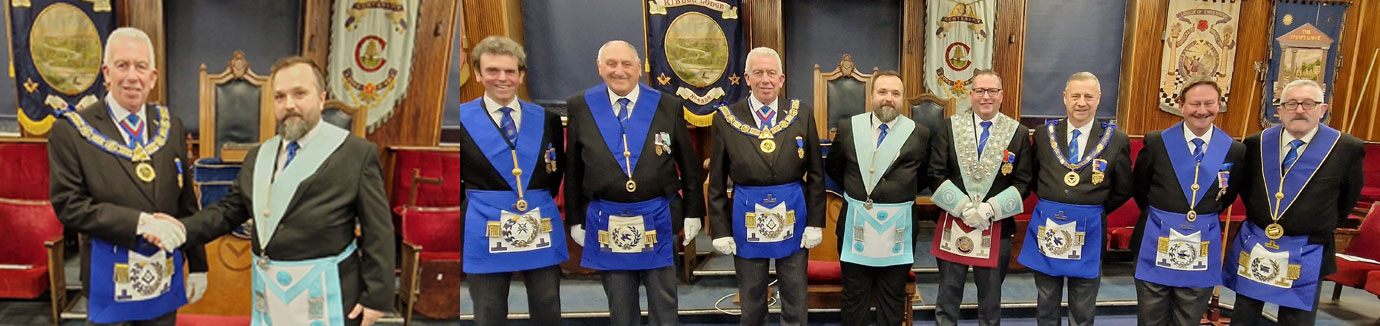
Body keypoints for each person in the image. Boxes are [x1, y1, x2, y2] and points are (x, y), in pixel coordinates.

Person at [149, 56, 395, 326]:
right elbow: (228, 211)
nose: (289, 104)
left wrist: (377, 297)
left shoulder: (356, 154)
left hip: (328, 294)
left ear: (322, 98)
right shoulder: (259, 156)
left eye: (299, 93)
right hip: (272, 294)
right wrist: (181, 229)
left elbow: (378, 230)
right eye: (280, 97)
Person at [48, 27, 207, 326]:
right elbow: (69, 206)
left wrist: (198, 264)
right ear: (107, 73)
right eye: (122, 65)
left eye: (141, 66)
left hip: (163, 275)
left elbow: (186, 203)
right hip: (108, 278)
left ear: (153, 77)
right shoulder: (71, 131)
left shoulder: (171, 126)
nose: (132, 76)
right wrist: (140, 223)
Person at [563, 40, 704, 326]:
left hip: (658, 215)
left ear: (639, 69)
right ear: (599, 68)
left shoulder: (667, 105)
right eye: (611, 64)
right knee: (620, 302)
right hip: (607, 218)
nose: (619, 71)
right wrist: (576, 218)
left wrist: (693, 212)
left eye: (626, 64)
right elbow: (573, 168)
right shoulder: (581, 105)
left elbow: (689, 166)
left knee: (664, 301)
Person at [1223, 79, 1365, 326]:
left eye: (1308, 103)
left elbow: (1348, 198)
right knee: (1245, 312)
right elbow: (1246, 189)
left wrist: (1314, 221)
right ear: (1279, 110)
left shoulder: (1345, 148)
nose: (1299, 109)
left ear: (1323, 109)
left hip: (1307, 247)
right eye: (1291, 103)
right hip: (1258, 241)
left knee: (1296, 319)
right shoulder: (1256, 143)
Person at [707, 46, 825, 326]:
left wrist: (815, 222)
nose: (765, 80)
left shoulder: (802, 114)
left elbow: (817, 174)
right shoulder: (725, 118)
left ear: (781, 79)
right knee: (751, 298)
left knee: (795, 297)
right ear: (747, 78)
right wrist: (720, 229)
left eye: (771, 73)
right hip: (746, 214)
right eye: (758, 73)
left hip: (794, 214)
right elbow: (716, 178)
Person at [1017, 71, 1133, 326]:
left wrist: (1091, 208)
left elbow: (1124, 188)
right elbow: (1034, 176)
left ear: (1099, 98)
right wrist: (1056, 199)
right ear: (1065, 98)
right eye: (1076, 96)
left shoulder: (1116, 139)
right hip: (1050, 224)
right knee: (1046, 298)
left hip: (1090, 227)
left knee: (1083, 302)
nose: (1082, 102)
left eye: (1088, 96)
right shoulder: (1044, 135)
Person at [1129, 76, 1246, 326]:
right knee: (1150, 318)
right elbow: (1140, 188)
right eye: (1195, 104)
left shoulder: (1234, 150)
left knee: (1188, 318)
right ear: (1181, 105)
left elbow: (1229, 194)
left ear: (1219, 105)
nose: (1202, 111)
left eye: (1209, 103)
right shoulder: (1157, 142)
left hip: (1202, 242)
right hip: (1155, 239)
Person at [823, 70, 930, 326]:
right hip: (855, 225)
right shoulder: (849, 128)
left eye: (895, 93)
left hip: (899, 229)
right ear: (871, 96)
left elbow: (924, 177)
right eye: (882, 92)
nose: (888, 98)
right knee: (854, 297)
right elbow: (834, 169)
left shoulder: (920, 134)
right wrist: (860, 192)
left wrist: (893, 194)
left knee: (892, 298)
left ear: (903, 99)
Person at [927, 69, 1033, 326]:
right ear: (971, 94)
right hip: (954, 223)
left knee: (990, 302)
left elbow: (1024, 182)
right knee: (948, 299)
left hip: (996, 226)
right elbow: (935, 173)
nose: (986, 97)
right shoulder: (949, 126)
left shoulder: (1017, 132)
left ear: (1001, 95)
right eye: (980, 91)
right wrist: (963, 208)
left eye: (992, 91)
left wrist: (990, 209)